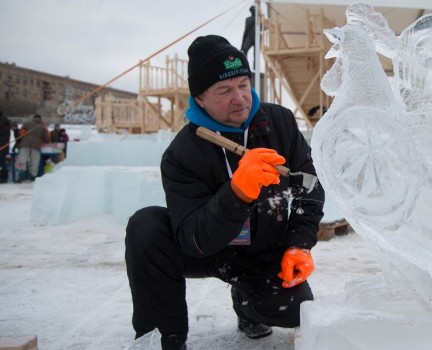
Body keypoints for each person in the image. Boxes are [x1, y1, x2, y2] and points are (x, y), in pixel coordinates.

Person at [125, 35, 324, 350]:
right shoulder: (182, 153)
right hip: (208, 250)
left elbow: (309, 188)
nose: (240, 98)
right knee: (145, 226)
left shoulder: (279, 123)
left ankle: (247, 304)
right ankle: (164, 338)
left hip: (262, 249)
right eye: (224, 90)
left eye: (243, 84)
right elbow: (192, 236)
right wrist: (237, 192)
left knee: (296, 310)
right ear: (200, 98)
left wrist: (299, 245)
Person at [15, 114, 49, 182]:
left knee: (22, 160)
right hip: (36, 146)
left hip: (24, 144)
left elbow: (20, 133)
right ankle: (33, 176)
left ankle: (21, 176)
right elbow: (47, 139)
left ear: (33, 118)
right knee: (34, 161)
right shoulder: (42, 127)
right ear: (40, 119)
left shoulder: (27, 123)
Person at [0, 111, 10, 183]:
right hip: (5, 145)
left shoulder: (2, 123)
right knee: (3, 162)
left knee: (2, 162)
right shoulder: (6, 122)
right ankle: (4, 177)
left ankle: (3, 177)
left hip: (2, 145)